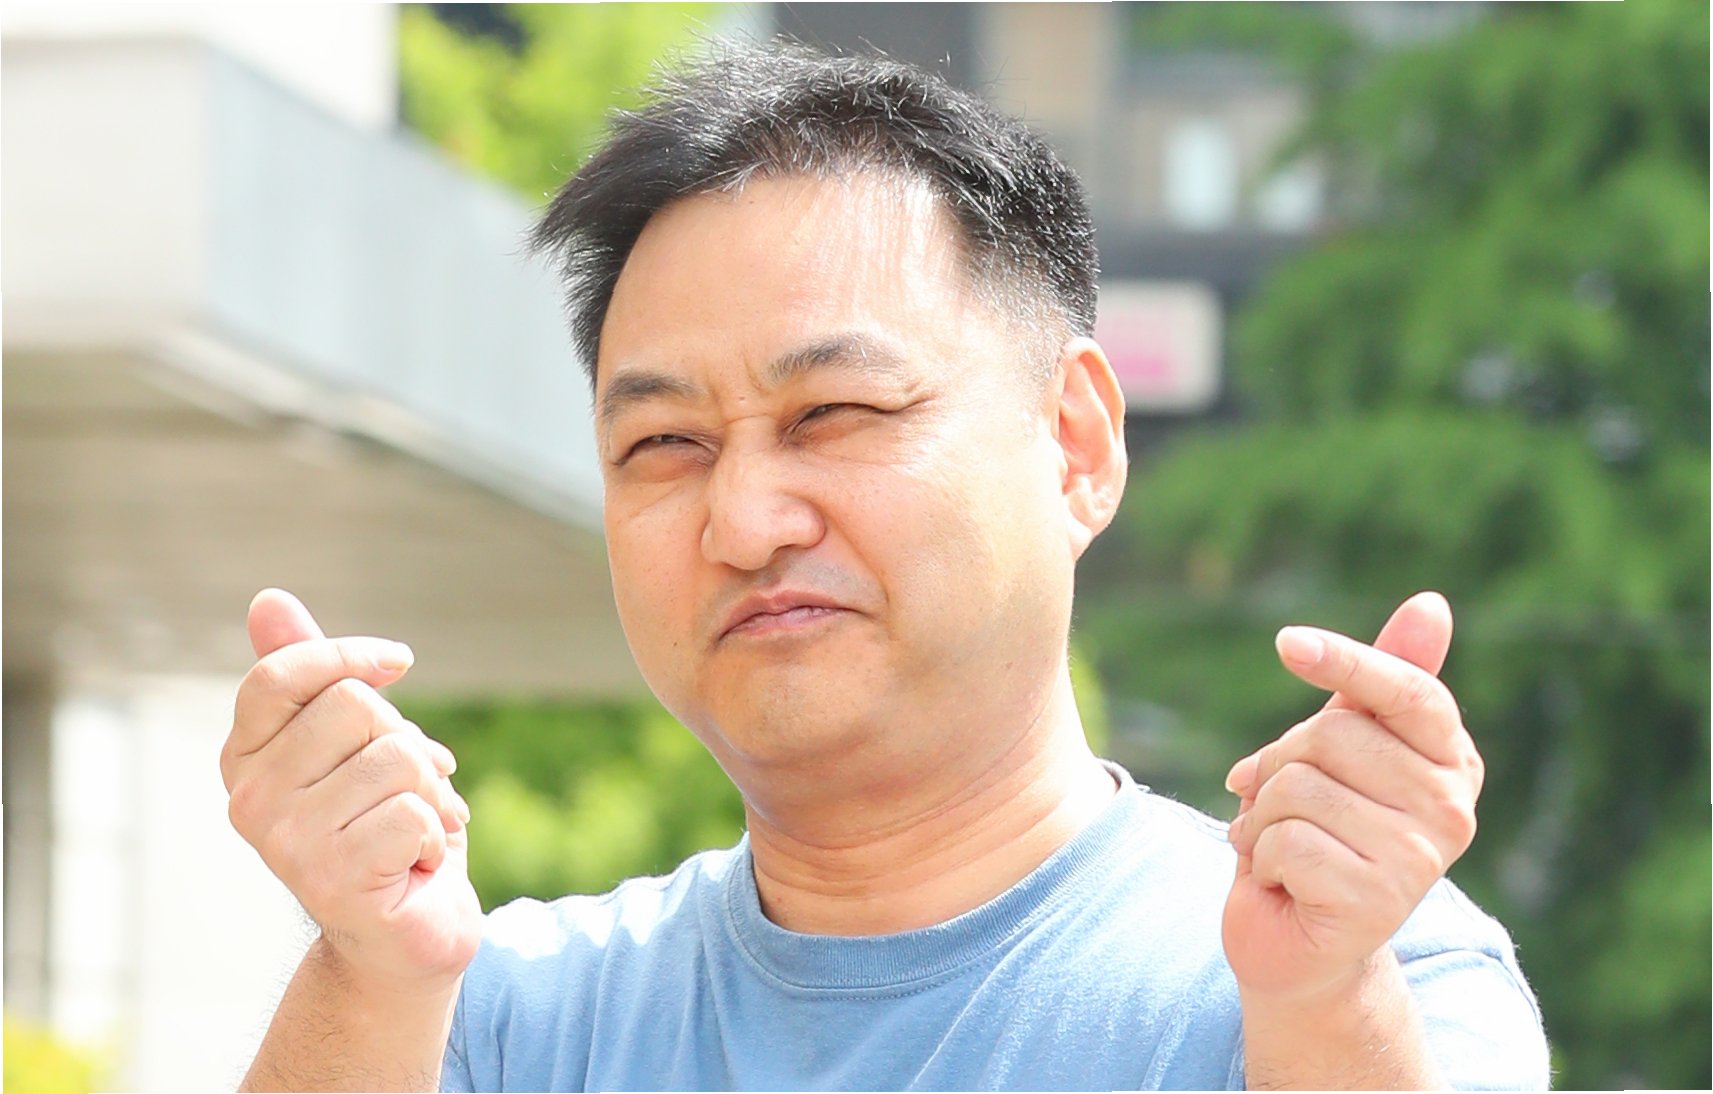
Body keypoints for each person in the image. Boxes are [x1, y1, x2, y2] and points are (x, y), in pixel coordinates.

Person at [221, 40, 1549, 1091]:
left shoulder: (1360, 973)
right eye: (665, 442)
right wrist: (370, 976)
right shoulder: (496, 1015)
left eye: (835, 413)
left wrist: (1321, 1010)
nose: (745, 520)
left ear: (1076, 444)